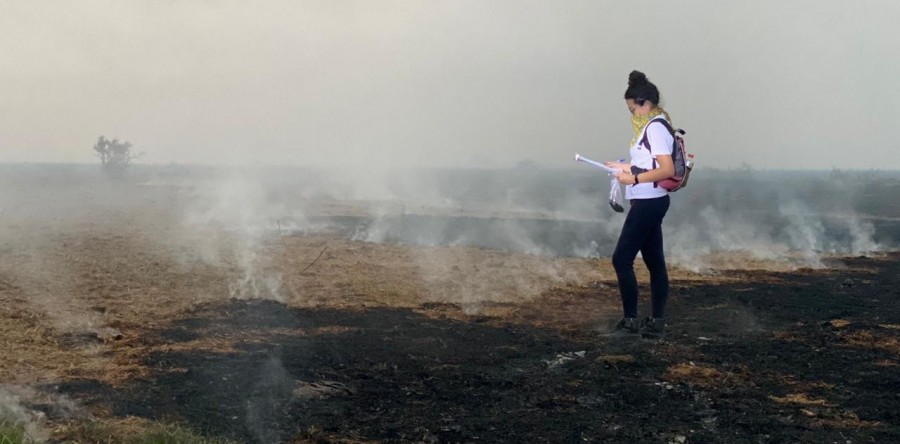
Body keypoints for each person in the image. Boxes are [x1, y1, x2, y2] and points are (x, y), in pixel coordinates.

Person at [603, 70, 674, 340]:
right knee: (654, 261)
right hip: (650, 200)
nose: (632, 114)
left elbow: (665, 169)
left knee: (621, 259)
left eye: (633, 109)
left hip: (648, 202)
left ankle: (631, 321)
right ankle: (656, 323)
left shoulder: (655, 127)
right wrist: (624, 167)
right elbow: (651, 164)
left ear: (645, 103)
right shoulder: (655, 124)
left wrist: (631, 177)